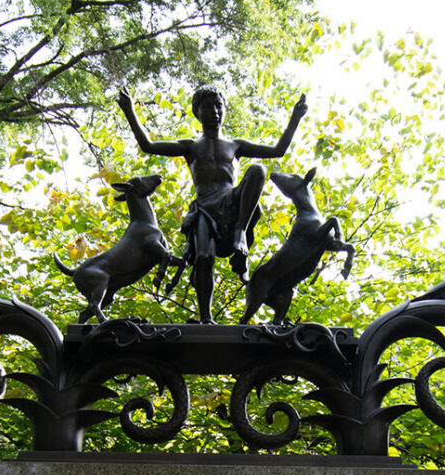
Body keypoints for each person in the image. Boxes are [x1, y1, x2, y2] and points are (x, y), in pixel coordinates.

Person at [116, 85, 307, 322]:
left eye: (219, 106)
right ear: (198, 112)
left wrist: (295, 119)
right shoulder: (191, 147)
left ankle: (240, 233)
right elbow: (148, 146)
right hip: (205, 208)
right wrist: (129, 111)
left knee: (258, 169)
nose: (215, 112)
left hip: (233, 203)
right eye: (208, 107)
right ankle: (206, 318)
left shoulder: (235, 145)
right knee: (204, 258)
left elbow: (278, 151)